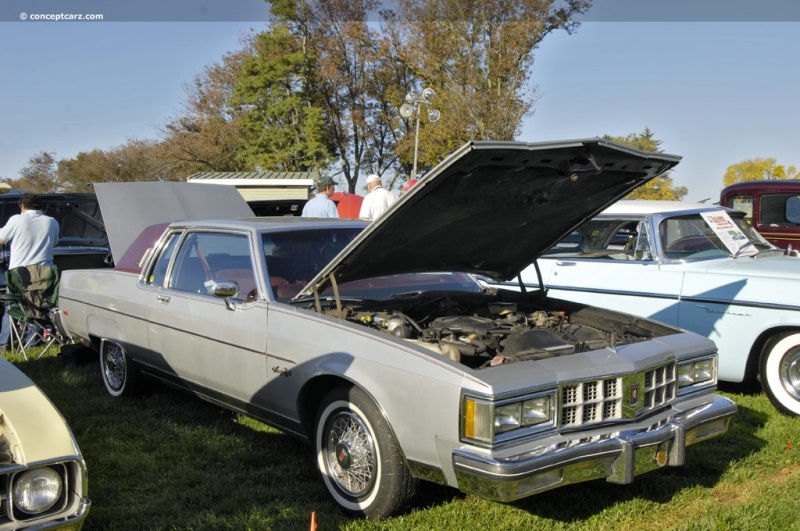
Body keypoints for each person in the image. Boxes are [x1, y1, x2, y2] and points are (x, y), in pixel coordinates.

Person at [0, 193, 60, 350]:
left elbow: (1, 239)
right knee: (38, 306)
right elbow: (54, 243)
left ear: (22, 206)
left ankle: (4, 343)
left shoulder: (16, 219)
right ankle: (31, 343)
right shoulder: (52, 222)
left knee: (13, 306)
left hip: (19, 274)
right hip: (45, 274)